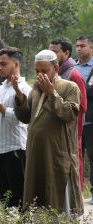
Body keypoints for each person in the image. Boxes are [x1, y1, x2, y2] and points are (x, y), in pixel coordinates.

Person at [14, 49, 83, 215]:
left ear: (56, 68)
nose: (40, 75)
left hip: (57, 154)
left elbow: (69, 114)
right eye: (37, 71)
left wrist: (52, 92)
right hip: (36, 154)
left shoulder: (69, 87)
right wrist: (18, 94)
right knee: (36, 196)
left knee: (59, 202)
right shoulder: (35, 90)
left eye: (44, 71)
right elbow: (25, 117)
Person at [0, 47, 31, 208]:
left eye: (4, 64)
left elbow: (18, 119)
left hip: (14, 147)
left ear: (15, 64)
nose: (0, 67)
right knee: (4, 196)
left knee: (18, 194)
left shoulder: (25, 88)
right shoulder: (0, 89)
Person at [49, 37, 87, 189]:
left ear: (66, 53)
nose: (51, 55)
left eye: (54, 52)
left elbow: (81, 107)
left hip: (71, 130)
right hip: (57, 130)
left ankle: (75, 201)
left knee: (73, 163)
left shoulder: (74, 75)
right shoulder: (57, 72)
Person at [75, 36, 93, 203]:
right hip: (74, 120)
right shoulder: (73, 66)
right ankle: (77, 192)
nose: (79, 49)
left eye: (83, 46)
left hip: (91, 120)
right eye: (77, 46)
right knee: (77, 156)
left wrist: (79, 85)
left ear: (91, 48)